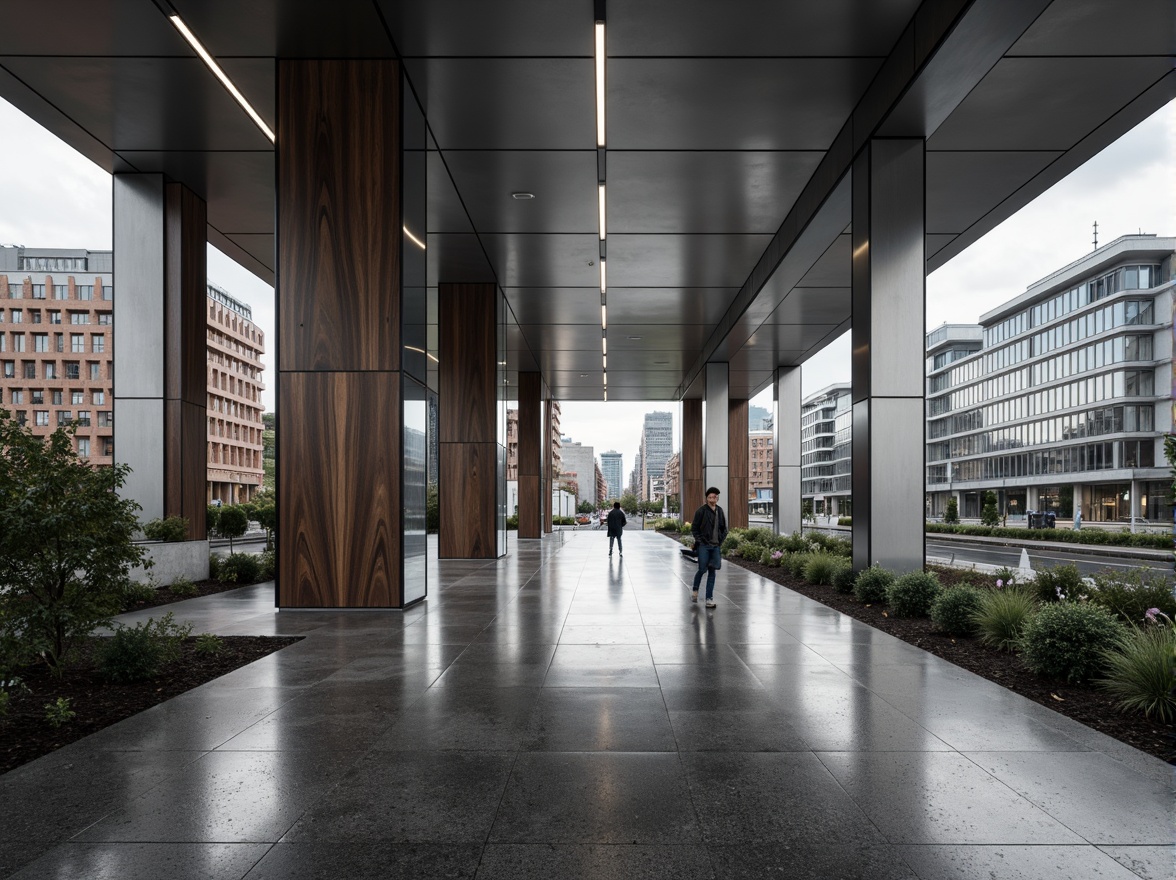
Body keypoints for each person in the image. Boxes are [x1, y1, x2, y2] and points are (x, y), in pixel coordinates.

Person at [690, 487, 727, 608]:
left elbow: (724, 529)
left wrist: (720, 541)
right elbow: (694, 528)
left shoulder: (720, 511)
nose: (712, 499)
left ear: (717, 498)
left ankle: (709, 598)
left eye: (714, 497)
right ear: (706, 498)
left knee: (712, 571)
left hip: (715, 546)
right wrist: (700, 541)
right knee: (702, 570)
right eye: (710, 497)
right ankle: (695, 589)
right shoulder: (701, 511)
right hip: (704, 546)